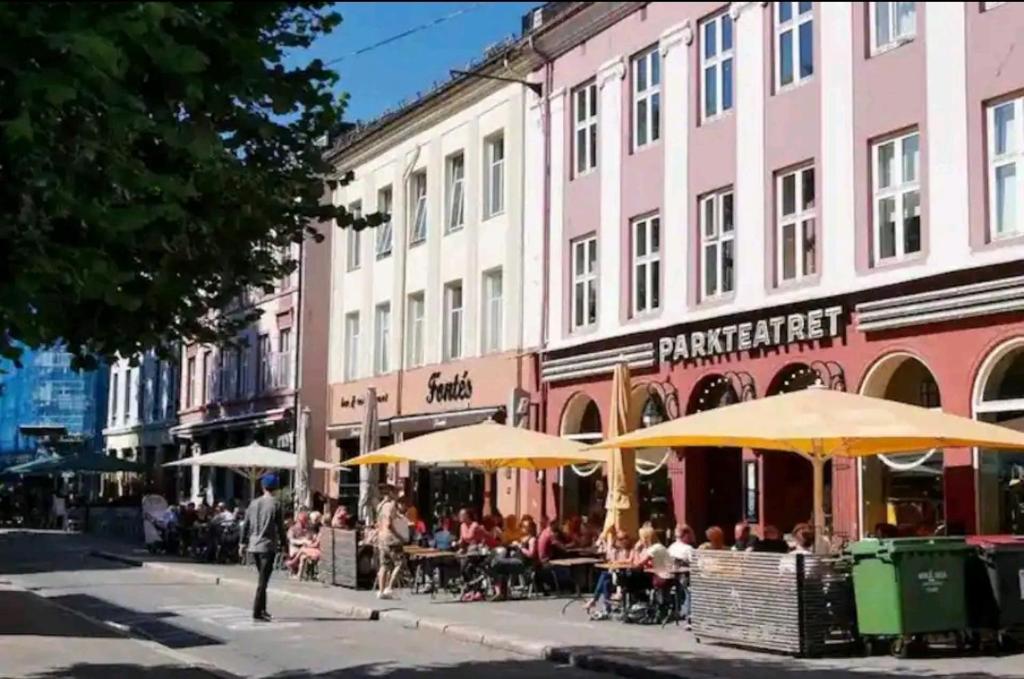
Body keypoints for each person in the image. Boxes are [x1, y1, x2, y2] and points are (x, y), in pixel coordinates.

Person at [241, 473, 286, 622]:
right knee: (263, 581)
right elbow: (280, 527)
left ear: (263, 487)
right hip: (267, 546)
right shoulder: (276, 504)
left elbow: (246, 524)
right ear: (276, 488)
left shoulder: (253, 503)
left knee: (262, 579)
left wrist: (242, 543)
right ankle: (256, 611)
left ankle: (263, 609)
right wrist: (285, 545)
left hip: (254, 545)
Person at [585, 529, 632, 619]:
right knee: (606, 581)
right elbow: (611, 562)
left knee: (604, 575)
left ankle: (594, 600)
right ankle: (607, 608)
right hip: (615, 574)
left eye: (623, 539)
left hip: (626, 575)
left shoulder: (630, 550)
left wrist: (619, 562)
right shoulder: (616, 551)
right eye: (619, 539)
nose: (621, 541)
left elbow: (630, 561)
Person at [375, 485, 405, 599]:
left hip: (381, 538)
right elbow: (389, 524)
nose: (398, 495)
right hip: (391, 539)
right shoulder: (391, 506)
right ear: (392, 493)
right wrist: (400, 536)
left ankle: (381, 591)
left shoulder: (380, 506)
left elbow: (378, 522)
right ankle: (389, 588)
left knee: (384, 565)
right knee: (399, 563)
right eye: (397, 492)